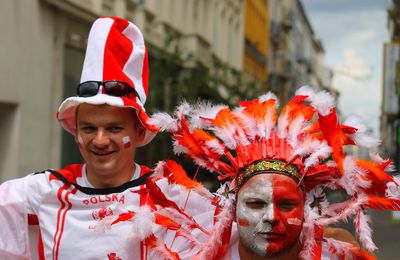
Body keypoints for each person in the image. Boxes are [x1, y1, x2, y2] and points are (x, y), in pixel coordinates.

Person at [0, 16, 213, 260]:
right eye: (89, 129)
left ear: (139, 131)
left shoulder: (174, 197)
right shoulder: (43, 191)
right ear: (76, 132)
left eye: (113, 129)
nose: (100, 141)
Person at [149, 86, 400, 259]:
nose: (271, 216)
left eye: (287, 203)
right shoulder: (191, 250)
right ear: (233, 210)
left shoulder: (338, 254)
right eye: (255, 203)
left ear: (305, 210)